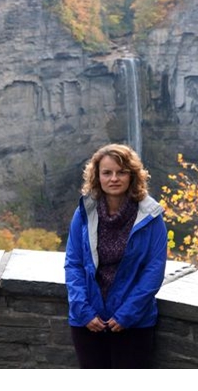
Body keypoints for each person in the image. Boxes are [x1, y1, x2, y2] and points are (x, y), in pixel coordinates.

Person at [63, 143, 168, 368]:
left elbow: (154, 270)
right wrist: (83, 311)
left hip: (134, 321)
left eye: (121, 172)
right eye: (107, 173)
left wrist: (127, 315)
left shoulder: (151, 216)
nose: (114, 178)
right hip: (88, 319)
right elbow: (73, 263)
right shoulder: (84, 211)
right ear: (97, 177)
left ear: (132, 176)